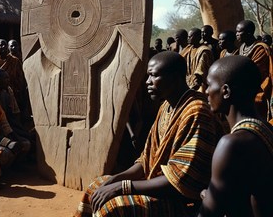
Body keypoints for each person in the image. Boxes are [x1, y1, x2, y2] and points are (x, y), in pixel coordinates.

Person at [74, 51, 218, 217]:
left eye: (153, 76)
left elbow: (181, 179)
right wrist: (116, 179)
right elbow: (147, 159)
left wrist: (122, 187)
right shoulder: (166, 107)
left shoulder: (197, 112)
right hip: (158, 185)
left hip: (182, 199)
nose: (147, 82)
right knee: (96, 186)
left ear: (176, 77)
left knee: (112, 208)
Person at [198, 56, 273, 217]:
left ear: (225, 91)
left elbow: (208, 213)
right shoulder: (267, 128)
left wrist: (209, 198)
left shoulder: (231, 144)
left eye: (209, 84)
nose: (205, 91)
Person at [236, 20, 272, 120]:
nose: (237, 34)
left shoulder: (260, 49)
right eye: (236, 32)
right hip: (244, 90)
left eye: (239, 32)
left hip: (259, 90)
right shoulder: (242, 47)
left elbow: (254, 72)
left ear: (249, 33)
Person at [180, 28, 214, 92]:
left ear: (198, 37)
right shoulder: (189, 49)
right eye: (188, 36)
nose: (188, 38)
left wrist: (196, 81)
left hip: (201, 84)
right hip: (190, 82)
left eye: (190, 36)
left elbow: (201, 69)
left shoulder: (204, 51)